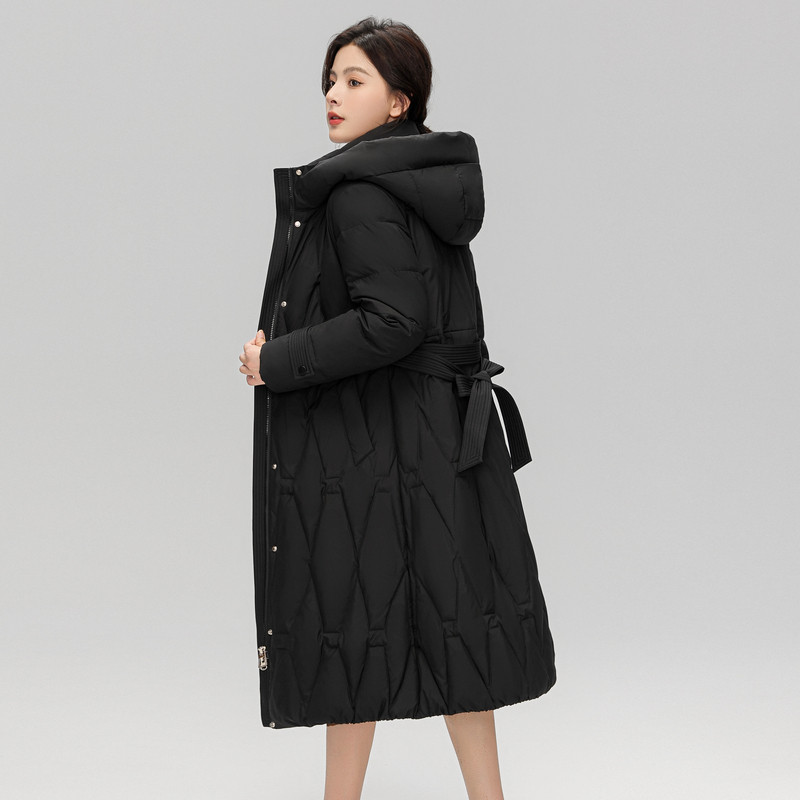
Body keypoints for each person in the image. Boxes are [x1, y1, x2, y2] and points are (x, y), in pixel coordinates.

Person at [238, 16, 556, 800]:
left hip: (382, 446)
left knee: (355, 627)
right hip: (441, 435)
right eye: (330, 79)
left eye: (355, 80)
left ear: (399, 100)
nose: (333, 94)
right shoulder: (427, 181)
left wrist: (273, 362)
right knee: (457, 629)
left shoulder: (357, 192)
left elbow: (393, 322)